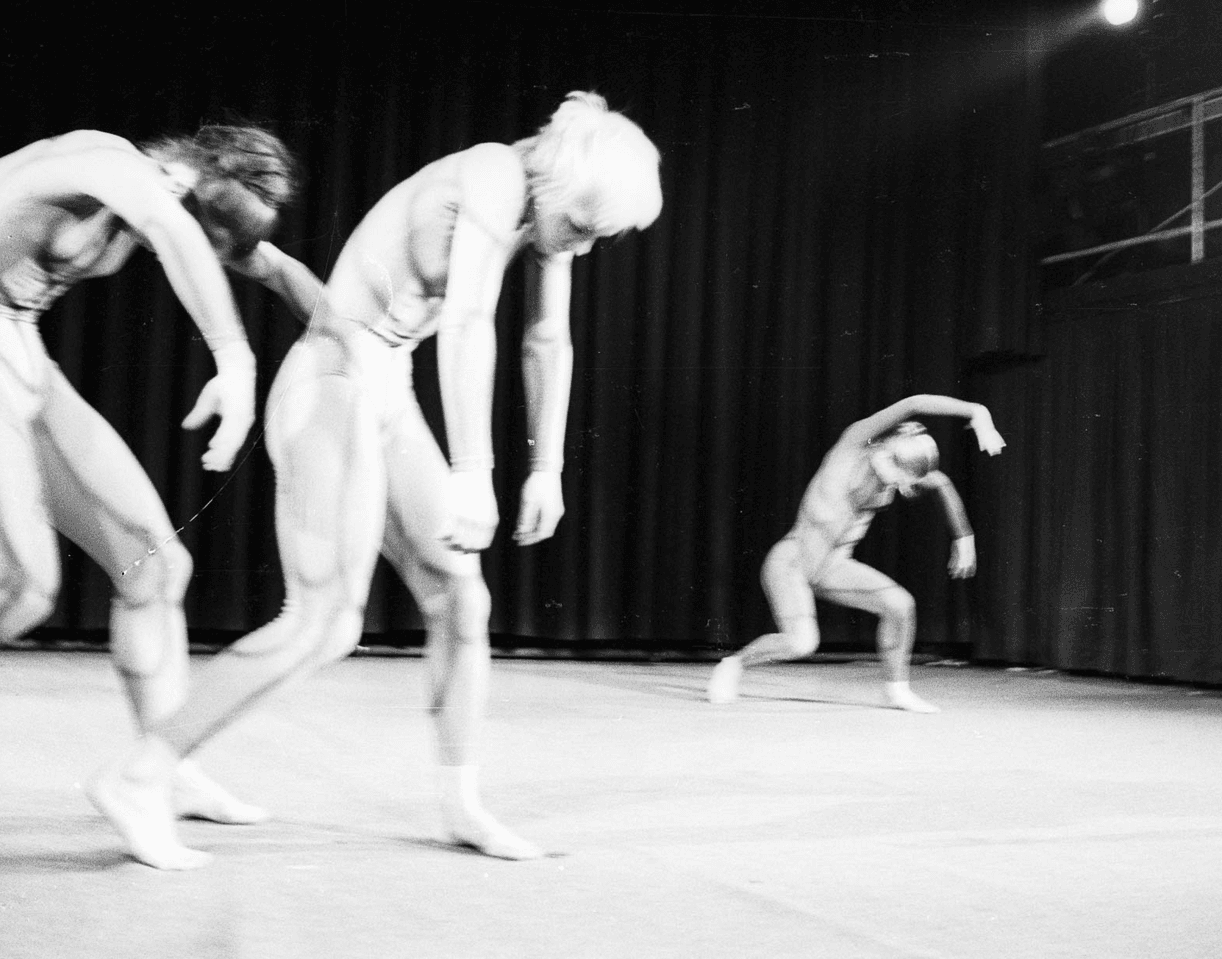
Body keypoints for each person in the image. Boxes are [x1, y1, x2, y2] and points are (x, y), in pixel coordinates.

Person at [91, 91, 664, 869]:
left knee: (463, 596)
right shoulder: (494, 174)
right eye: (587, 229)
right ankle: (139, 774)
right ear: (564, 184)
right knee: (324, 621)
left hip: (383, 383)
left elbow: (546, 338)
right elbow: (466, 320)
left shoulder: (541, 206)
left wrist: (548, 468)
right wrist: (473, 473)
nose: (587, 248)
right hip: (333, 377)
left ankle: (462, 802)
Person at [0, 124, 323, 845]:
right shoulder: (107, 164)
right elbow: (166, 223)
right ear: (187, 182)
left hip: (18, 352)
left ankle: (161, 769)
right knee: (16, 584)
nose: (203, 256)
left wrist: (365, 346)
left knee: (154, 565)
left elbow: (273, 269)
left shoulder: (178, 208)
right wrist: (236, 363)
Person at [707, 395, 1006, 710]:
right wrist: (978, 412)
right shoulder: (852, 445)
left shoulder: (899, 472)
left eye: (904, 484)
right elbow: (914, 404)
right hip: (792, 562)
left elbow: (940, 482)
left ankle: (896, 689)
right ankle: (734, 664)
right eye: (896, 476)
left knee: (900, 605)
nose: (897, 487)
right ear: (888, 449)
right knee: (802, 642)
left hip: (834, 567)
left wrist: (964, 537)